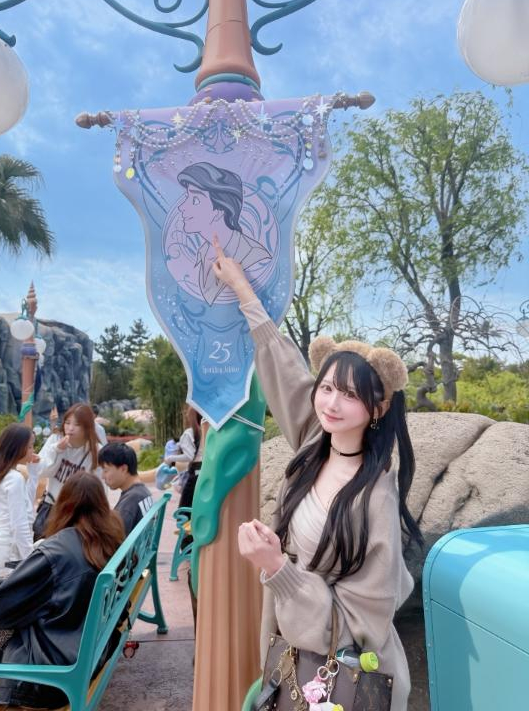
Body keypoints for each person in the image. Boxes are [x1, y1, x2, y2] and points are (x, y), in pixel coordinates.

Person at [212, 237, 423, 711]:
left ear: (377, 408)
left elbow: (360, 626)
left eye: (349, 394)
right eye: (326, 387)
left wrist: (277, 568)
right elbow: (283, 366)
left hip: (343, 681)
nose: (331, 402)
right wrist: (242, 289)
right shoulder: (315, 439)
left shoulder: (375, 496)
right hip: (295, 661)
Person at [0, 471, 125, 709]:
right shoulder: (110, 534)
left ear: (64, 504)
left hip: (51, 675)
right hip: (93, 647)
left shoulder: (56, 551)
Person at [176, 162, 272, 305]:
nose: (182, 207)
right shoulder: (202, 255)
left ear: (220, 209)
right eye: (187, 197)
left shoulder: (256, 257)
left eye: (195, 200)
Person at [32, 403, 101, 540]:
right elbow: (42, 471)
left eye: (77, 424)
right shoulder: (55, 439)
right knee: (42, 547)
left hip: (76, 513)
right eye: (67, 423)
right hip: (51, 507)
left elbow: (98, 488)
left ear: (87, 427)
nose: (70, 428)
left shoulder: (95, 451)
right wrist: (57, 450)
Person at [0, 425, 37, 578]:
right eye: (30, 447)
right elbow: (19, 524)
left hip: (7, 543)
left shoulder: (10, 475)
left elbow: (28, 502)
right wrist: (30, 558)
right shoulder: (15, 478)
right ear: (17, 449)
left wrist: (34, 469)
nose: (33, 450)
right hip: (11, 547)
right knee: (11, 588)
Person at [99, 442, 153, 534]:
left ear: (123, 469)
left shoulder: (131, 501)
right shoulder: (142, 492)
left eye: (106, 470)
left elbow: (113, 538)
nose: (102, 476)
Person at [163, 405, 203, 510]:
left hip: (195, 472)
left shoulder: (189, 433)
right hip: (205, 470)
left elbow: (189, 456)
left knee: (185, 507)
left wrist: (170, 458)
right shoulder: (206, 431)